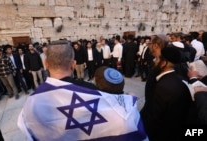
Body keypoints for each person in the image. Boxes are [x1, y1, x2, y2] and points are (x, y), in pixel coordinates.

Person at [18, 40, 148, 141]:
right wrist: (129, 99)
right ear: (73, 65)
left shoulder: (32, 102)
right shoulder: (92, 90)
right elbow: (123, 115)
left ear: (46, 64)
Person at [141, 46, 193, 141]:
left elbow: (153, 120)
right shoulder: (180, 80)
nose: (154, 61)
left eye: (157, 59)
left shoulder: (162, 87)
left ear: (164, 63)